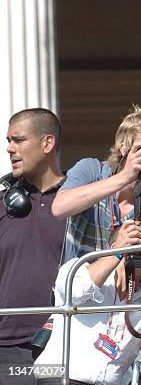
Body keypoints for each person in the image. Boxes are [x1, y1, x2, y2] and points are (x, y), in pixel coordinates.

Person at [50, 105, 141, 383]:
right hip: (82, 313)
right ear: (121, 148)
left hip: (131, 321)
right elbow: (59, 207)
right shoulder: (94, 170)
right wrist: (125, 177)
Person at [33, 222, 141, 385]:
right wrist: (117, 253)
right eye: (138, 241)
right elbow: (75, 291)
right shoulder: (78, 268)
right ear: (115, 246)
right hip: (61, 378)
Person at [0, 109, 66, 385]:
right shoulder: (4, 202)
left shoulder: (77, 201)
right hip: (8, 348)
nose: (9, 149)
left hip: (63, 342)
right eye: (8, 140)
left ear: (47, 143)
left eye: (18, 140)